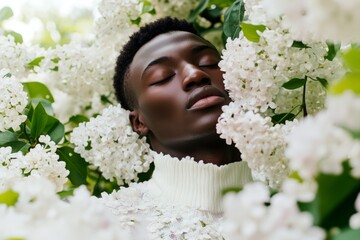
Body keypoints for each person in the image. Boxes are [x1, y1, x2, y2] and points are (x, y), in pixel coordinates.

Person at [102, 17, 252, 239]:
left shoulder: (304, 190)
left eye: (208, 62)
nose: (195, 74)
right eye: (162, 77)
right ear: (139, 122)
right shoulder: (108, 225)